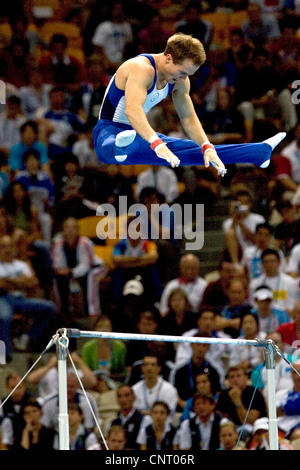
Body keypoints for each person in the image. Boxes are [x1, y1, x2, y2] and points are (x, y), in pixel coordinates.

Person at [93, 32, 285, 171]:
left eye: (189, 74)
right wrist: (157, 144)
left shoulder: (180, 80)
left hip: (139, 134)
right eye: (183, 72)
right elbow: (132, 111)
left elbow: (187, 116)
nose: (184, 78)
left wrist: (206, 145)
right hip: (109, 129)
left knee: (199, 153)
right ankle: (118, 147)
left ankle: (259, 152)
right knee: (113, 145)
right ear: (168, 58)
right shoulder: (141, 68)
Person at [0, 234, 56, 357]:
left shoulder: (22, 264)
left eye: (10, 246)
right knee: (3, 317)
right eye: (3, 247)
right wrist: (21, 282)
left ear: (14, 248)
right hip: (3, 298)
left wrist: (9, 281)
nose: (7, 250)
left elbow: (33, 283)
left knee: (49, 307)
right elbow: (1, 285)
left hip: (20, 299)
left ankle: (26, 338)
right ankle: (5, 355)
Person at [52, 217, 107, 319]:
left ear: (78, 230)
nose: (70, 230)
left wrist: (71, 272)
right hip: (73, 271)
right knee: (57, 278)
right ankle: (63, 311)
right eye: (67, 227)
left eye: (73, 228)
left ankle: (92, 311)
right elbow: (58, 265)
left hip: (96, 268)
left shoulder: (85, 243)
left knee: (91, 277)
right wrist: (64, 271)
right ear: (63, 230)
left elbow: (87, 265)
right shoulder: (58, 244)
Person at [171, 338, 221, 411]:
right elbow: (174, 393)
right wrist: (185, 405)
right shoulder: (180, 371)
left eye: (204, 345)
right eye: (198, 345)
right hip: (185, 408)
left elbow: (218, 392)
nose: (200, 348)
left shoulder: (213, 371)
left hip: (209, 409)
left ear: (208, 348)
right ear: (192, 345)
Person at [222, 189, 266, 263]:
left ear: (250, 204)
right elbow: (228, 243)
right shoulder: (228, 223)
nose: (243, 205)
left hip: (254, 252)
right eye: (241, 203)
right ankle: (236, 265)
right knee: (230, 233)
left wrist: (240, 223)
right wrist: (234, 218)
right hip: (239, 254)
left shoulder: (258, 219)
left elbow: (256, 240)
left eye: (246, 202)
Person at [249, 248, 298, 313]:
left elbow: (292, 305)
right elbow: (253, 305)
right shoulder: (255, 283)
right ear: (262, 264)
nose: (269, 265)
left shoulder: (290, 282)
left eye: (272, 261)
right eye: (266, 262)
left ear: (279, 262)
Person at [81, 316, 127, 383]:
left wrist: (112, 376)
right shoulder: (88, 347)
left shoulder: (120, 346)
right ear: (95, 329)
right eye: (100, 326)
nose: (104, 329)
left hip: (115, 381)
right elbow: (85, 370)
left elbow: (124, 371)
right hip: (94, 382)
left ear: (111, 329)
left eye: (107, 327)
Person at [109, 384, 145, 450]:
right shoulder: (114, 422)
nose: (123, 399)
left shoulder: (143, 420)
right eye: (119, 396)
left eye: (127, 395)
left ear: (134, 397)